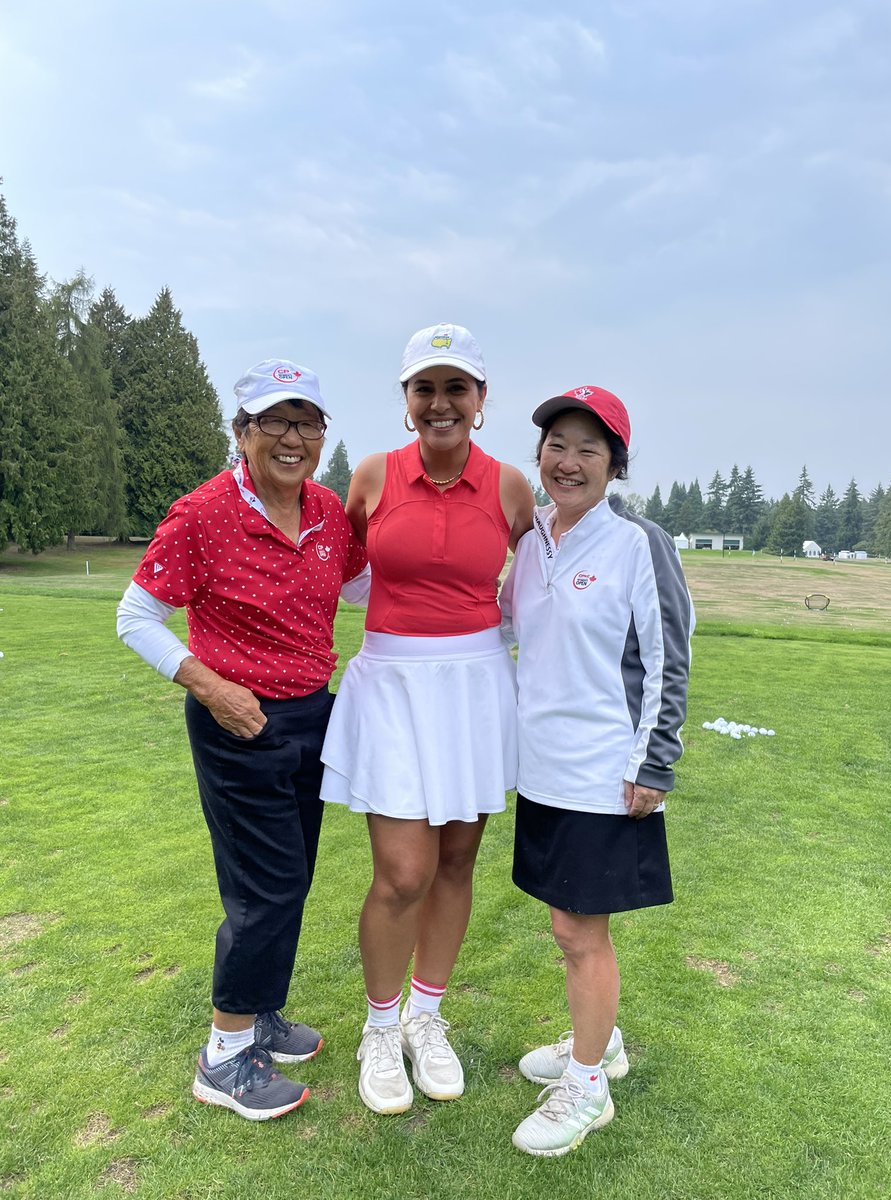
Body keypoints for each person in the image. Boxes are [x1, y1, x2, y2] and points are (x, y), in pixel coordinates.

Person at [116, 359, 369, 1120]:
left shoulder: (326, 509)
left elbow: (361, 589)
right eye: (275, 423)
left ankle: (261, 1015)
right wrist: (211, 687)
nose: (293, 438)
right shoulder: (201, 513)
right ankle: (224, 1054)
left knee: (293, 875)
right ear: (243, 433)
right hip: (237, 719)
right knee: (266, 888)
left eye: (308, 423)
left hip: (309, 715)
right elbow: (135, 617)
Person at [320, 323, 535, 1114]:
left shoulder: (511, 486)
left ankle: (426, 1017)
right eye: (425, 389)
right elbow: (332, 570)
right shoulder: (374, 474)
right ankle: (380, 1028)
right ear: (406, 401)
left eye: (456, 388)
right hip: (394, 685)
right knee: (403, 871)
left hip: (477, 689)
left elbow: (539, 581)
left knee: (455, 863)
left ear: (481, 401)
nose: (440, 403)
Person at [499, 385, 694, 1156]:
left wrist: (655, 762)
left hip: (605, 773)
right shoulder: (532, 539)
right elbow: (512, 626)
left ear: (615, 461)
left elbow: (669, 655)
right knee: (564, 924)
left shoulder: (638, 542)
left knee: (581, 933)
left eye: (588, 447)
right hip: (542, 769)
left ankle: (585, 1090)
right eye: (556, 445)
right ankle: (598, 1043)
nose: (568, 461)